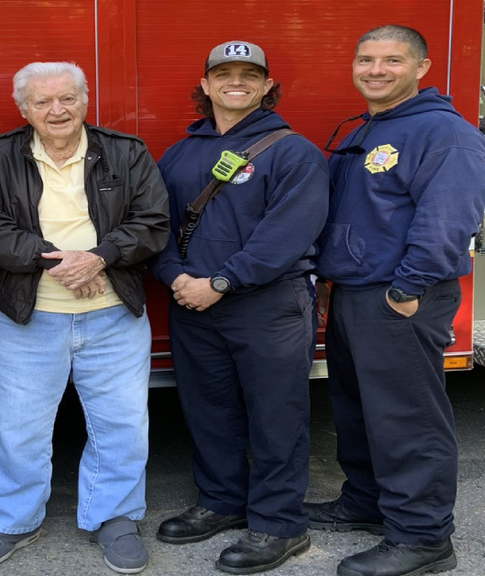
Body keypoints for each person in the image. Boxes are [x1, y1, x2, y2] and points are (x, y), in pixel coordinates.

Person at [0, 62, 169, 574]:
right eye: (42, 102)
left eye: (67, 99)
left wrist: (99, 257)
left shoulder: (126, 152)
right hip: (26, 315)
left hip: (112, 313)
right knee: (17, 426)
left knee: (121, 424)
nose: (56, 110)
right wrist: (62, 261)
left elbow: (152, 222)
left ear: (84, 100)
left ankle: (116, 518)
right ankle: (11, 520)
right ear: (24, 109)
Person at [310, 24, 485, 576]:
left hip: (399, 295)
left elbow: (447, 222)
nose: (376, 70)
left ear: (422, 68)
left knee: (406, 418)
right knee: (359, 408)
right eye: (366, 59)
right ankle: (366, 502)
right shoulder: (369, 127)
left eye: (392, 60)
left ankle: (423, 537)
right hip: (356, 292)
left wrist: (407, 289)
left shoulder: (444, 133)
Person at [149, 41, 328, 574]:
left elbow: (287, 235)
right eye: (223, 73)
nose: (236, 81)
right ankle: (221, 503)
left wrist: (222, 281)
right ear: (205, 85)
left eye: (250, 74)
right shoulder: (181, 153)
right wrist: (175, 276)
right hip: (193, 303)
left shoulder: (294, 152)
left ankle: (279, 525)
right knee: (209, 410)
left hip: (268, 305)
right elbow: (155, 224)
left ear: (267, 86)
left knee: (276, 416)